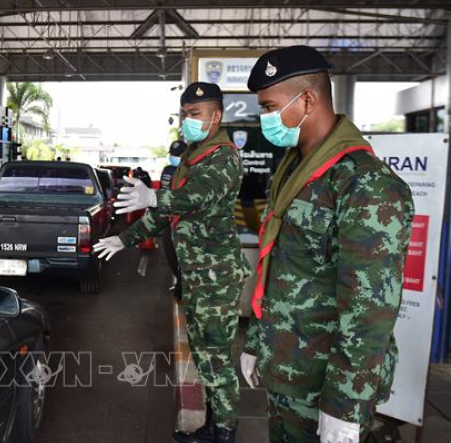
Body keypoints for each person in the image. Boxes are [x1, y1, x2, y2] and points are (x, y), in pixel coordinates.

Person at [239, 45, 414, 443]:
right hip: (286, 368)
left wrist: (345, 406)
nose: (263, 118)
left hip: (326, 386)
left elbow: (369, 309)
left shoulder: (365, 184)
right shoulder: (294, 170)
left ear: (307, 100)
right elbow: (278, 268)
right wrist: (256, 340)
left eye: (269, 107)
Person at [94, 82, 251, 443]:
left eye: (195, 114)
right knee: (203, 355)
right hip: (196, 276)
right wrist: (124, 238)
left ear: (216, 116)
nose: (188, 121)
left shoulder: (223, 158)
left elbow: (192, 197)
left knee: (217, 360)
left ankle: (225, 432)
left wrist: (154, 196)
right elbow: (169, 214)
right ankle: (213, 424)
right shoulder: (194, 156)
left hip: (216, 278)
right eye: (184, 115)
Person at [160, 140, 188, 299]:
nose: (174, 157)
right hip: (169, 220)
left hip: (186, 222)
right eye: (173, 154)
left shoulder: (194, 170)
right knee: (171, 253)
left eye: (178, 155)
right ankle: (180, 283)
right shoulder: (168, 170)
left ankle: (184, 286)